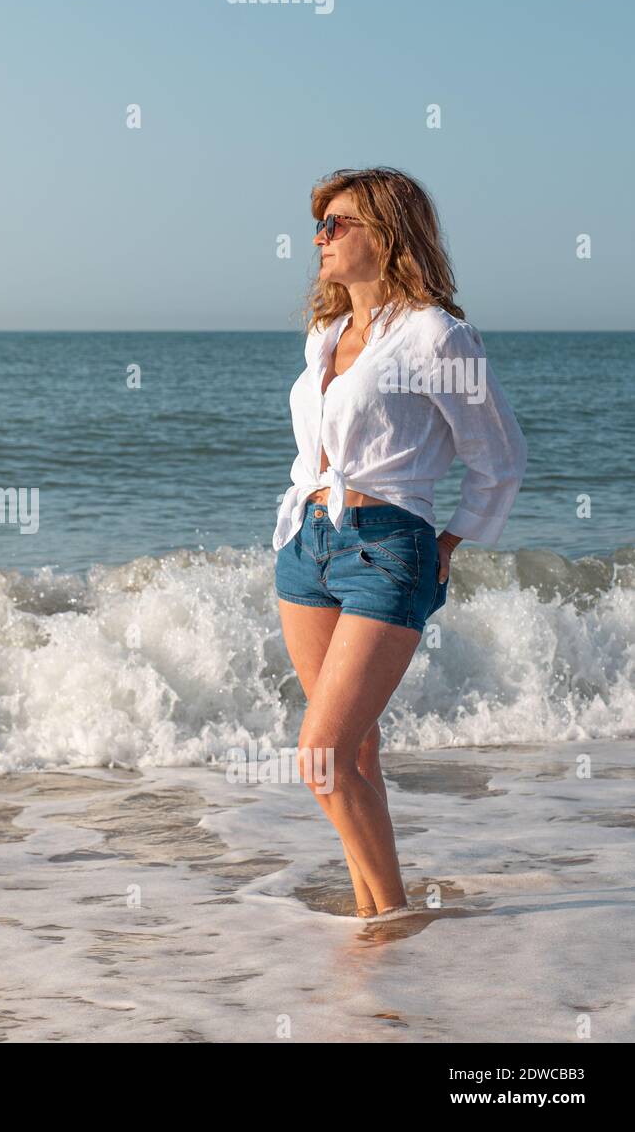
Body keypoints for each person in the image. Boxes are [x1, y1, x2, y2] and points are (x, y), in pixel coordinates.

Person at [273, 167, 528, 918]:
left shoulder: (434, 334)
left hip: (388, 546)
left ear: (386, 235)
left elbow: (500, 456)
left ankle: (393, 921)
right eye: (318, 225)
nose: (319, 238)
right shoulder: (326, 337)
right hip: (307, 544)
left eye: (337, 223)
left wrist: (452, 540)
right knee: (353, 755)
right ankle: (373, 915)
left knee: (318, 757)